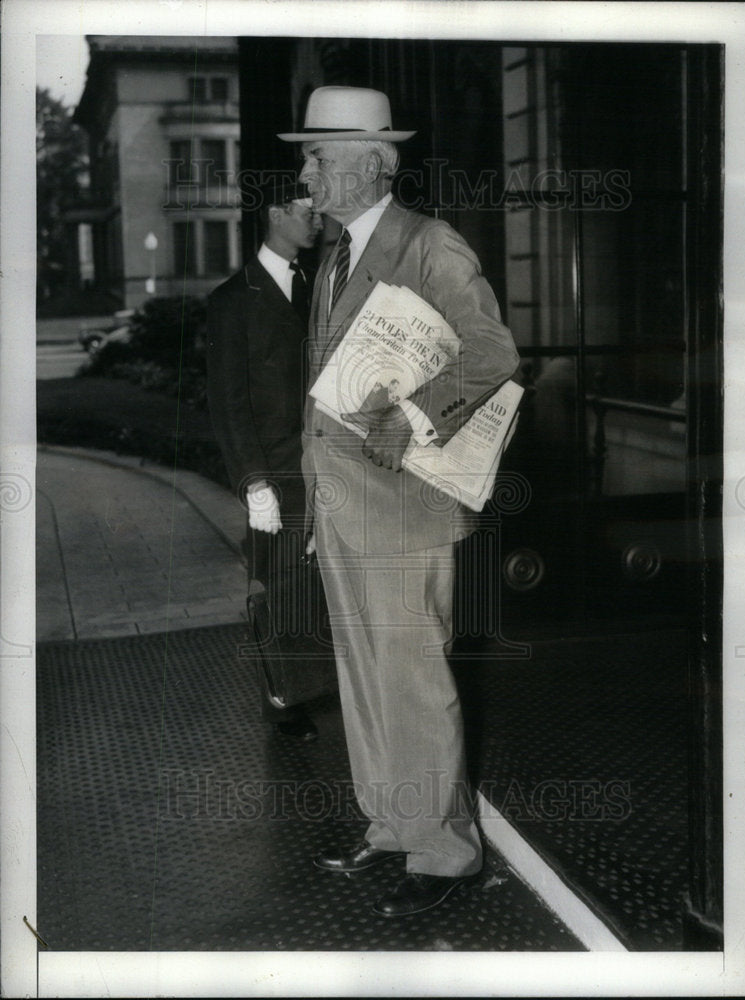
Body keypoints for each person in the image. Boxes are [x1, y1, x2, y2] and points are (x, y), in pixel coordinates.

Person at [279, 87, 520, 915]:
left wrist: (415, 412)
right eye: (307, 154)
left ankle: (445, 853)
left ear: (372, 164)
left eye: (317, 155)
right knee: (364, 675)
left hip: (405, 507)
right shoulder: (335, 255)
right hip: (341, 506)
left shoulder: (428, 244)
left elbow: (491, 347)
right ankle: (391, 828)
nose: (304, 168)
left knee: (412, 675)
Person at [206, 178, 323, 741]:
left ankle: (326, 685)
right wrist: (254, 483)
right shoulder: (233, 300)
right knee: (276, 590)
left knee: (328, 587)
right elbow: (228, 402)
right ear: (277, 214)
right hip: (277, 474)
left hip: (329, 465)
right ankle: (283, 703)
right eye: (307, 210)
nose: (318, 219)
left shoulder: (319, 286)